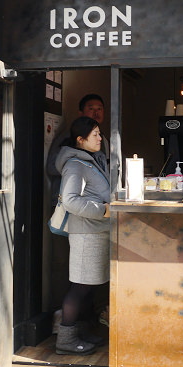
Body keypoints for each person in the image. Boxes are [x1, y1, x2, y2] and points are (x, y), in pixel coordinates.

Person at [52, 116, 112, 354]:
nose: (100, 138)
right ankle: (65, 339)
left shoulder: (91, 161)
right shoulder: (75, 165)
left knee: (89, 287)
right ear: (80, 140)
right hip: (87, 233)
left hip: (97, 231)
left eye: (99, 133)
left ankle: (81, 332)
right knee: (79, 287)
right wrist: (103, 211)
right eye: (95, 134)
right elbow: (70, 200)